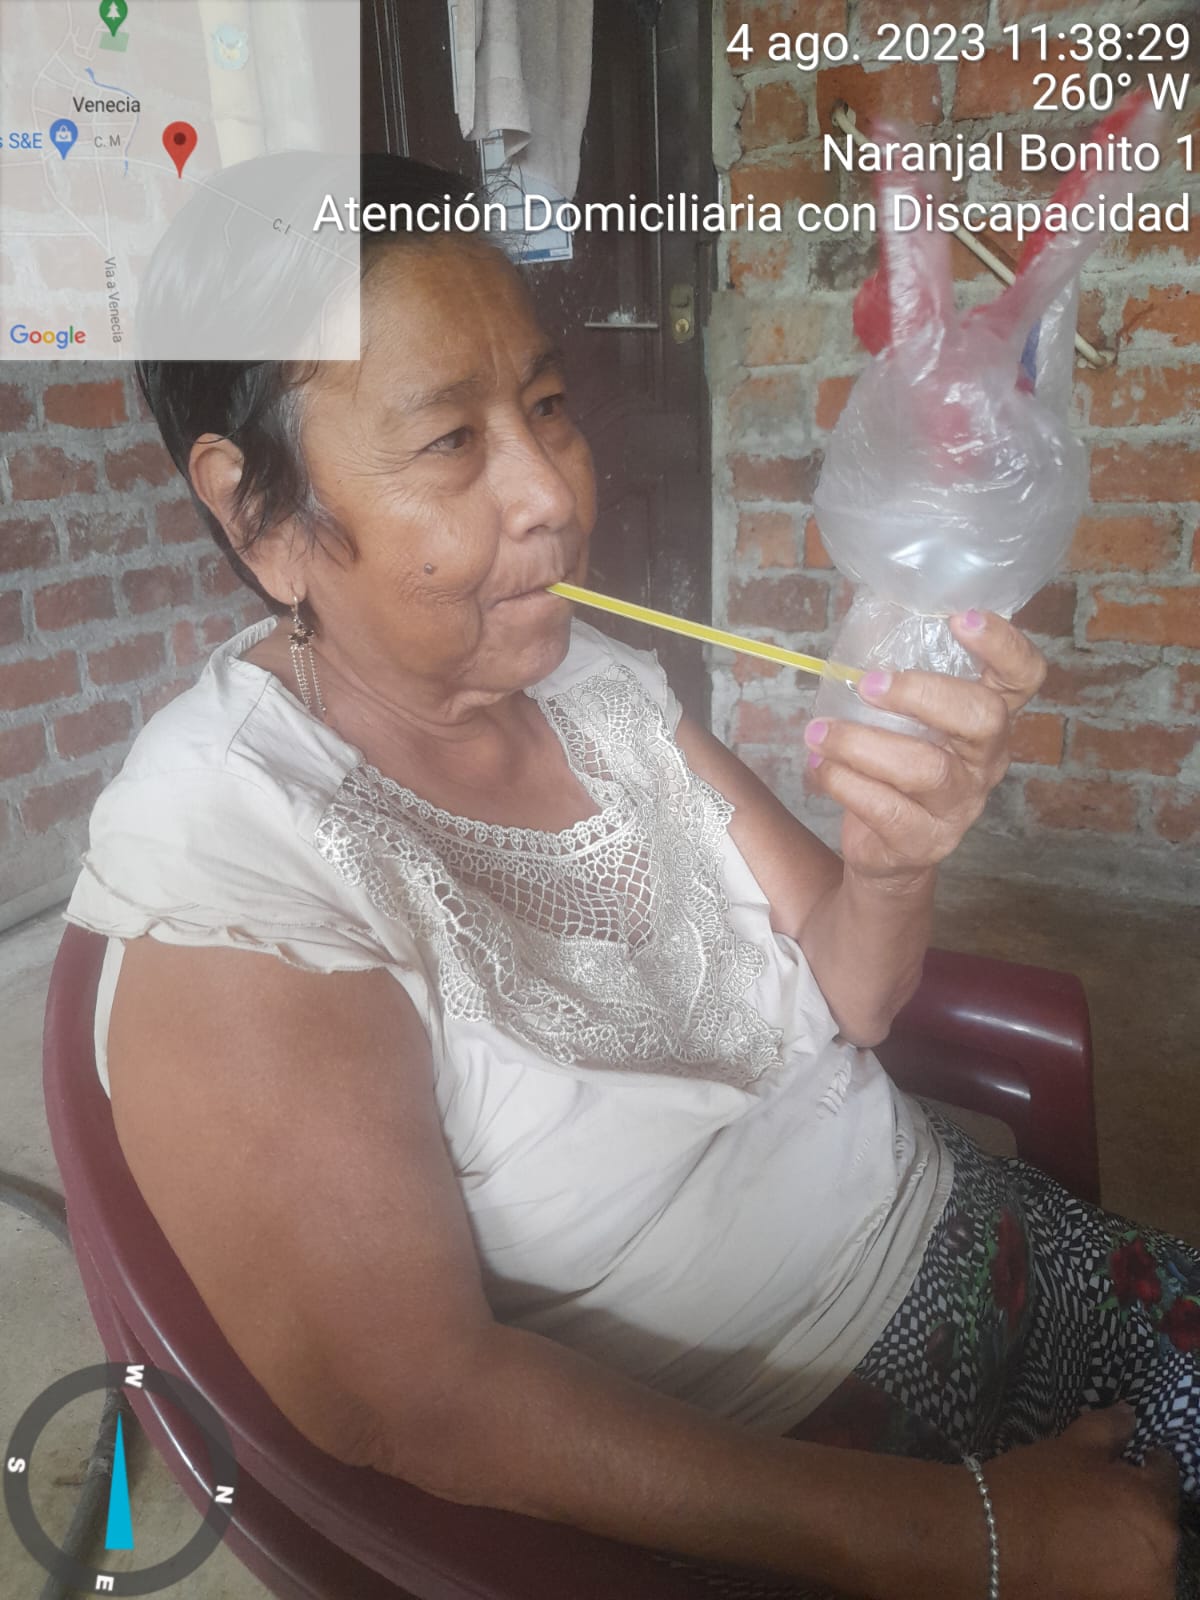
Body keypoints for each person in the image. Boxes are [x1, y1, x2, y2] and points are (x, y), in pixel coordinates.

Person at [66, 155, 1198, 1600]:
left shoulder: (590, 680)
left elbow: (853, 996)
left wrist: (893, 865)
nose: (553, 492)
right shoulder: (234, 857)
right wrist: (990, 1540)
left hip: (977, 1233)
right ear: (260, 517)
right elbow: (417, 1405)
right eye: (450, 441)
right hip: (809, 1460)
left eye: (545, 406)